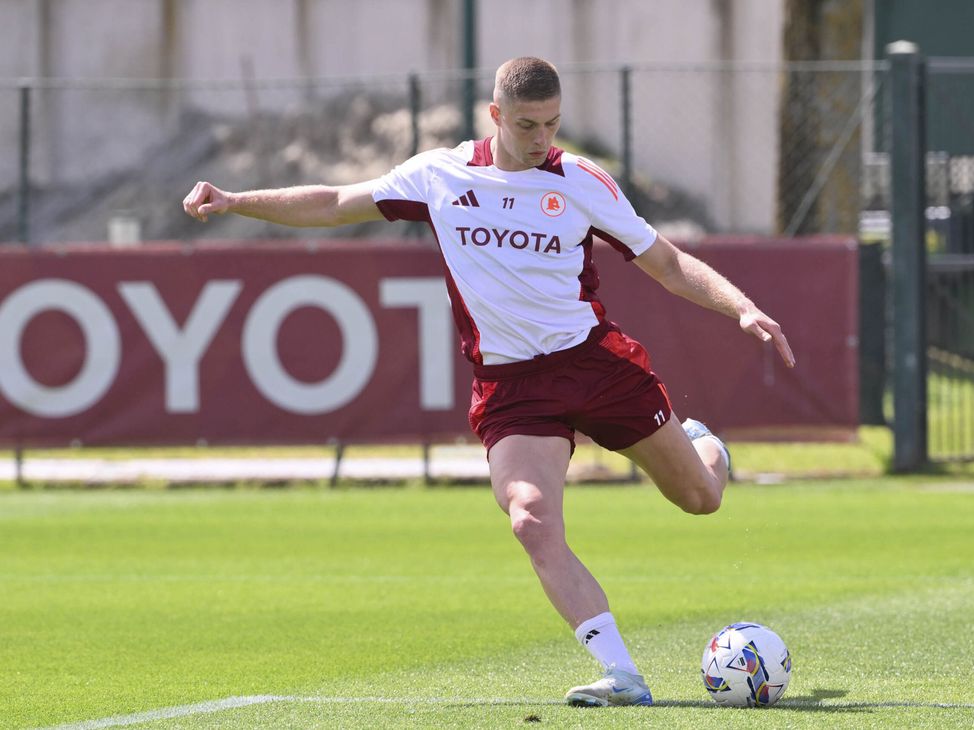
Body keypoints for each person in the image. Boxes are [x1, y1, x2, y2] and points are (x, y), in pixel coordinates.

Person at [183, 56, 795, 707]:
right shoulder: (441, 175)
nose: (542, 139)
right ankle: (621, 673)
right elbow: (336, 203)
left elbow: (668, 264)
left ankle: (704, 444)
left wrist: (742, 307)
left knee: (700, 499)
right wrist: (236, 201)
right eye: (528, 124)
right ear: (496, 115)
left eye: (553, 124)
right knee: (530, 519)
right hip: (513, 390)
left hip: (596, 366)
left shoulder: (580, 180)